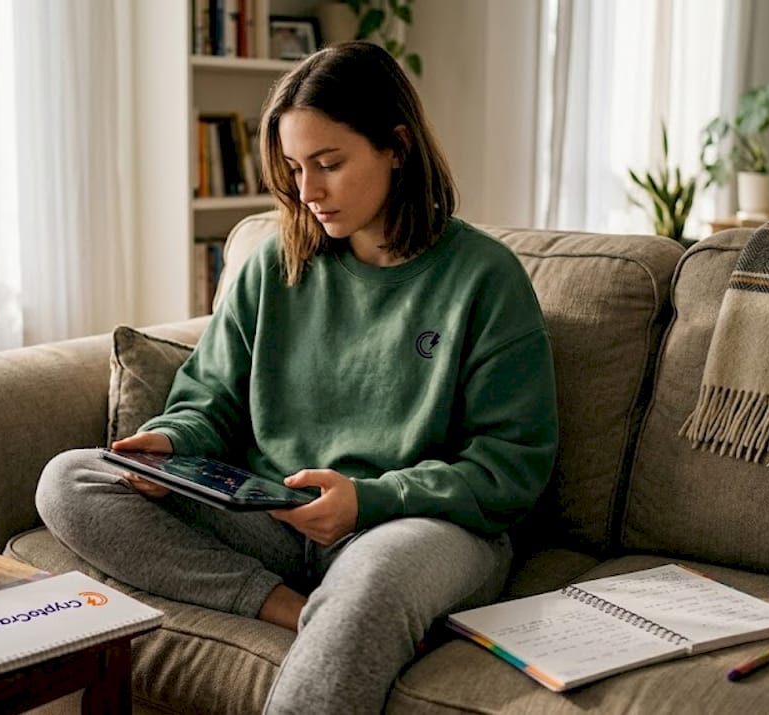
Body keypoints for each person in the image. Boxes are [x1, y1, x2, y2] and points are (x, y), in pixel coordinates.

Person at [36, 41, 558, 713]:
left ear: (396, 146)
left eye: (329, 164)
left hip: (416, 524)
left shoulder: (485, 279)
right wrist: (170, 442)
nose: (307, 191)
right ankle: (286, 605)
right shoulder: (275, 263)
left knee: (371, 579)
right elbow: (212, 399)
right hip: (271, 512)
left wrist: (367, 500)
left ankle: (338, 603)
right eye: (294, 167)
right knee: (72, 479)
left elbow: (509, 469)